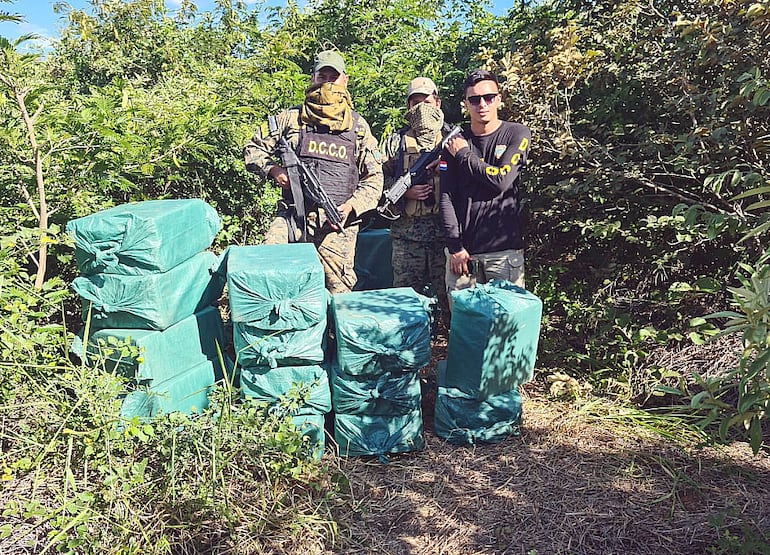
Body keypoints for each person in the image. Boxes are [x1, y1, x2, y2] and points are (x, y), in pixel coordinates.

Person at [244, 50, 383, 293]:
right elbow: (253, 148)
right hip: (293, 218)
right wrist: (274, 170)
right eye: (323, 76)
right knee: (271, 275)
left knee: (338, 295)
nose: (327, 82)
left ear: (345, 80)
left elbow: (374, 178)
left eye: (334, 77)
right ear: (313, 78)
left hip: (337, 227)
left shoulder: (358, 126)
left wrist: (351, 206)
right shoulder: (291, 119)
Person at [439, 69, 532, 307]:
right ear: (465, 104)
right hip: (462, 256)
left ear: (498, 99)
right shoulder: (454, 141)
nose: (482, 104)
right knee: (465, 332)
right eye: (474, 99)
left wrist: (463, 154)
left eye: (489, 97)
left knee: (506, 333)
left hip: (503, 255)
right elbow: (446, 198)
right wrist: (455, 247)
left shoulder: (516, 133)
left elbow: (500, 180)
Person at [380, 77, 451, 314]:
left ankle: (454, 349)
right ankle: (409, 349)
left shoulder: (454, 139)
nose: (421, 107)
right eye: (415, 102)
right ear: (408, 107)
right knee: (405, 306)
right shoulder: (396, 142)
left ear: (438, 103)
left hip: (447, 238)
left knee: (452, 303)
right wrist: (404, 191)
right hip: (407, 238)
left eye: (427, 101)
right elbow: (374, 179)